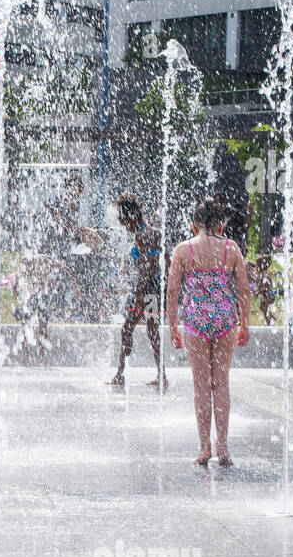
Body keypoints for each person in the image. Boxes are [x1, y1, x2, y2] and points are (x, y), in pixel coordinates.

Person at [166, 200, 251, 466]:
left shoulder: (183, 250)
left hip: (195, 320)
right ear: (221, 224)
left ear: (194, 225)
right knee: (221, 383)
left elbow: (172, 291)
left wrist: (173, 326)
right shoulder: (231, 248)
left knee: (201, 386)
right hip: (226, 319)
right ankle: (223, 447)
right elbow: (244, 289)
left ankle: (204, 448)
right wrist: (245, 323)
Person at [107, 192, 166, 390]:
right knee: (151, 330)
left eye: (124, 221)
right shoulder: (152, 231)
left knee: (129, 329)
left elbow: (145, 269)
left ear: (130, 217)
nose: (124, 225)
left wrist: (139, 297)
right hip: (154, 288)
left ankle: (121, 374)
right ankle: (161, 374)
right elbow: (163, 261)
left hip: (147, 289)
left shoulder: (142, 235)